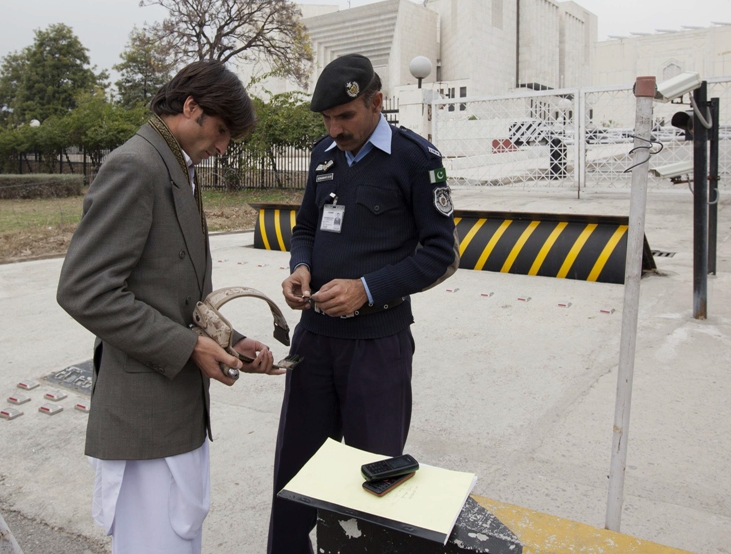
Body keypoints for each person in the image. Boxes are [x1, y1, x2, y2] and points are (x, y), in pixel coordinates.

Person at [57, 61, 282, 554]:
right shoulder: (136, 165)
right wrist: (187, 346)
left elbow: (175, 291)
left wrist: (229, 339)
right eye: (221, 131)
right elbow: (85, 289)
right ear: (190, 107)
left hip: (177, 407)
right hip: (145, 417)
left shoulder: (175, 166)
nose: (223, 147)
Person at [267, 53, 458, 553]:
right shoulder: (323, 154)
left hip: (377, 344)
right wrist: (299, 267)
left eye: (345, 116)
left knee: (374, 479)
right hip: (314, 341)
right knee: (295, 472)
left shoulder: (417, 160)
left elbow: (441, 255)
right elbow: (306, 227)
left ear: (376, 102)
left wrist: (367, 288)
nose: (335, 128)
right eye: (327, 119)